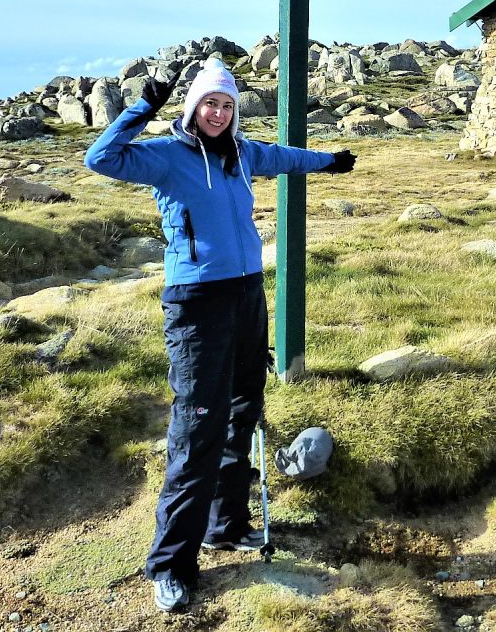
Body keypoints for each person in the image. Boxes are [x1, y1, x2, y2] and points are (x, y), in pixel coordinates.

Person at [84, 58, 355, 612]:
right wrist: (144, 106)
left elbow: (282, 156)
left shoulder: (241, 152)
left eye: (227, 104)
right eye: (211, 102)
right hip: (197, 304)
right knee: (197, 429)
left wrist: (329, 162)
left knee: (243, 409)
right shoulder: (165, 156)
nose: (219, 112)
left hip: (247, 294)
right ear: (193, 106)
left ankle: (226, 524)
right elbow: (100, 157)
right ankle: (169, 565)